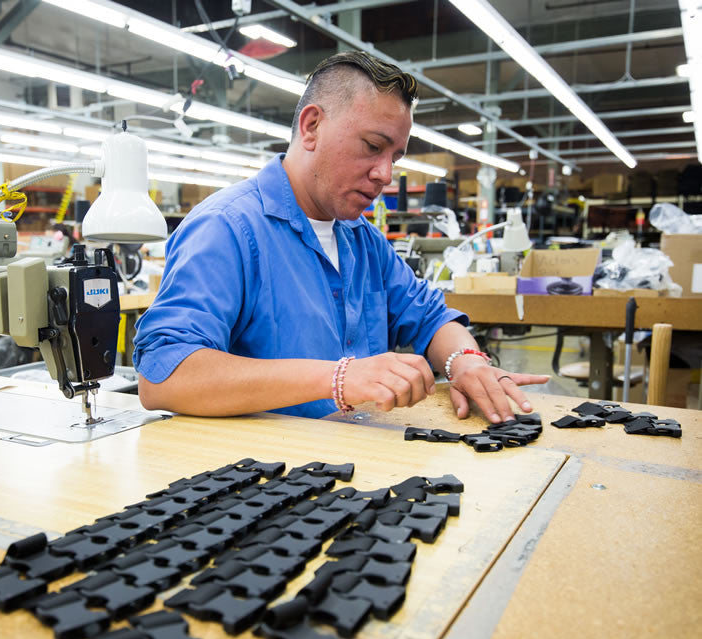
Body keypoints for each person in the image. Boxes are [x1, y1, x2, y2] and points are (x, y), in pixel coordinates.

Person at [132, 51, 547, 422]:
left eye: (395, 158)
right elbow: (165, 376)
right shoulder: (227, 229)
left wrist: (466, 361)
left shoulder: (361, 239)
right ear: (311, 126)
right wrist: (340, 378)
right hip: (267, 481)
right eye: (372, 146)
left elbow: (429, 316)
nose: (386, 174)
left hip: (356, 468)